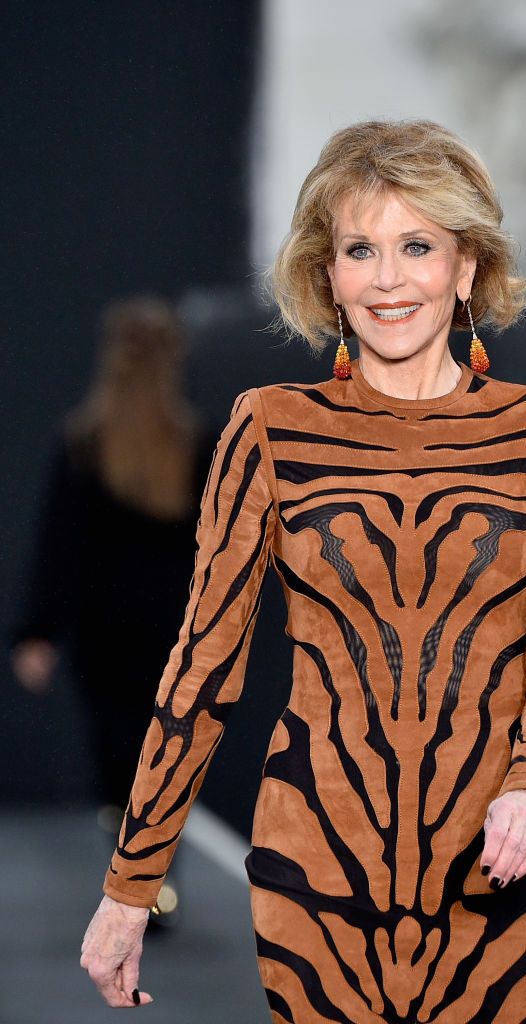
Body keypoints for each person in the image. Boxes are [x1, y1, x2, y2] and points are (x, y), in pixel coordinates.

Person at [80, 119, 526, 1021]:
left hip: (502, 868)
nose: (389, 278)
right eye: (360, 249)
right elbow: (203, 665)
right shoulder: (270, 427)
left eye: (417, 247)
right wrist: (131, 887)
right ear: (328, 274)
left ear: (466, 268)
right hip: (319, 867)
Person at [11, 295, 218, 927]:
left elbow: (60, 545)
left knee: (117, 760)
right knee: (167, 755)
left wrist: (37, 633)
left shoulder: (84, 444)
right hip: (174, 630)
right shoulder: (196, 443)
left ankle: (134, 884)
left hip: (103, 635)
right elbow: (222, 550)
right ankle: (158, 884)